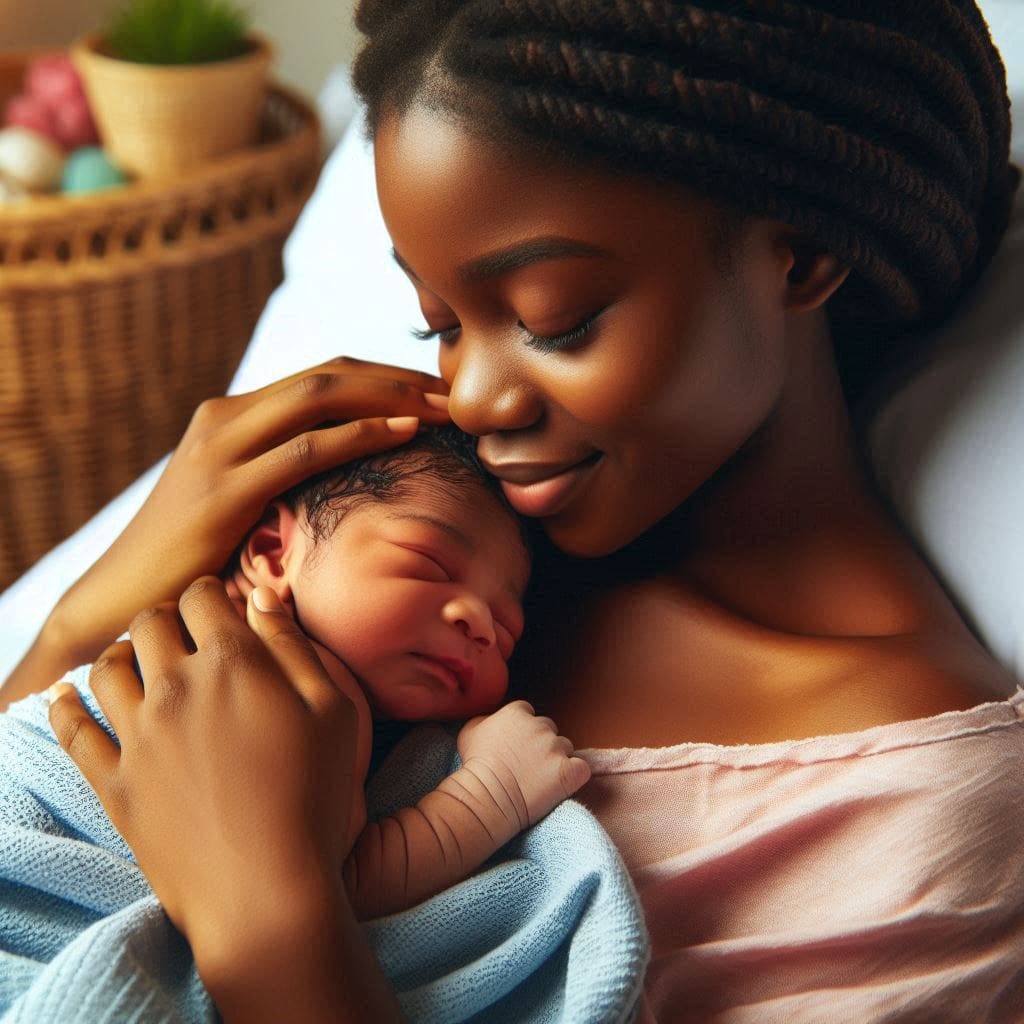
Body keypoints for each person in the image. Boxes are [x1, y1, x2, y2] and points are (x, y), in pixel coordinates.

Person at [4, 1, 1023, 1020]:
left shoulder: (913, 813)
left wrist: (265, 914)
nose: (478, 397)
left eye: (555, 318)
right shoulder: (402, 538)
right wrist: (83, 622)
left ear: (797, 258)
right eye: (438, 322)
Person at [47, 424, 591, 924]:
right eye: (428, 565)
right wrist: (494, 791)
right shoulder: (294, 677)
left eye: (505, 631)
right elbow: (331, 887)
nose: (479, 625)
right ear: (273, 553)